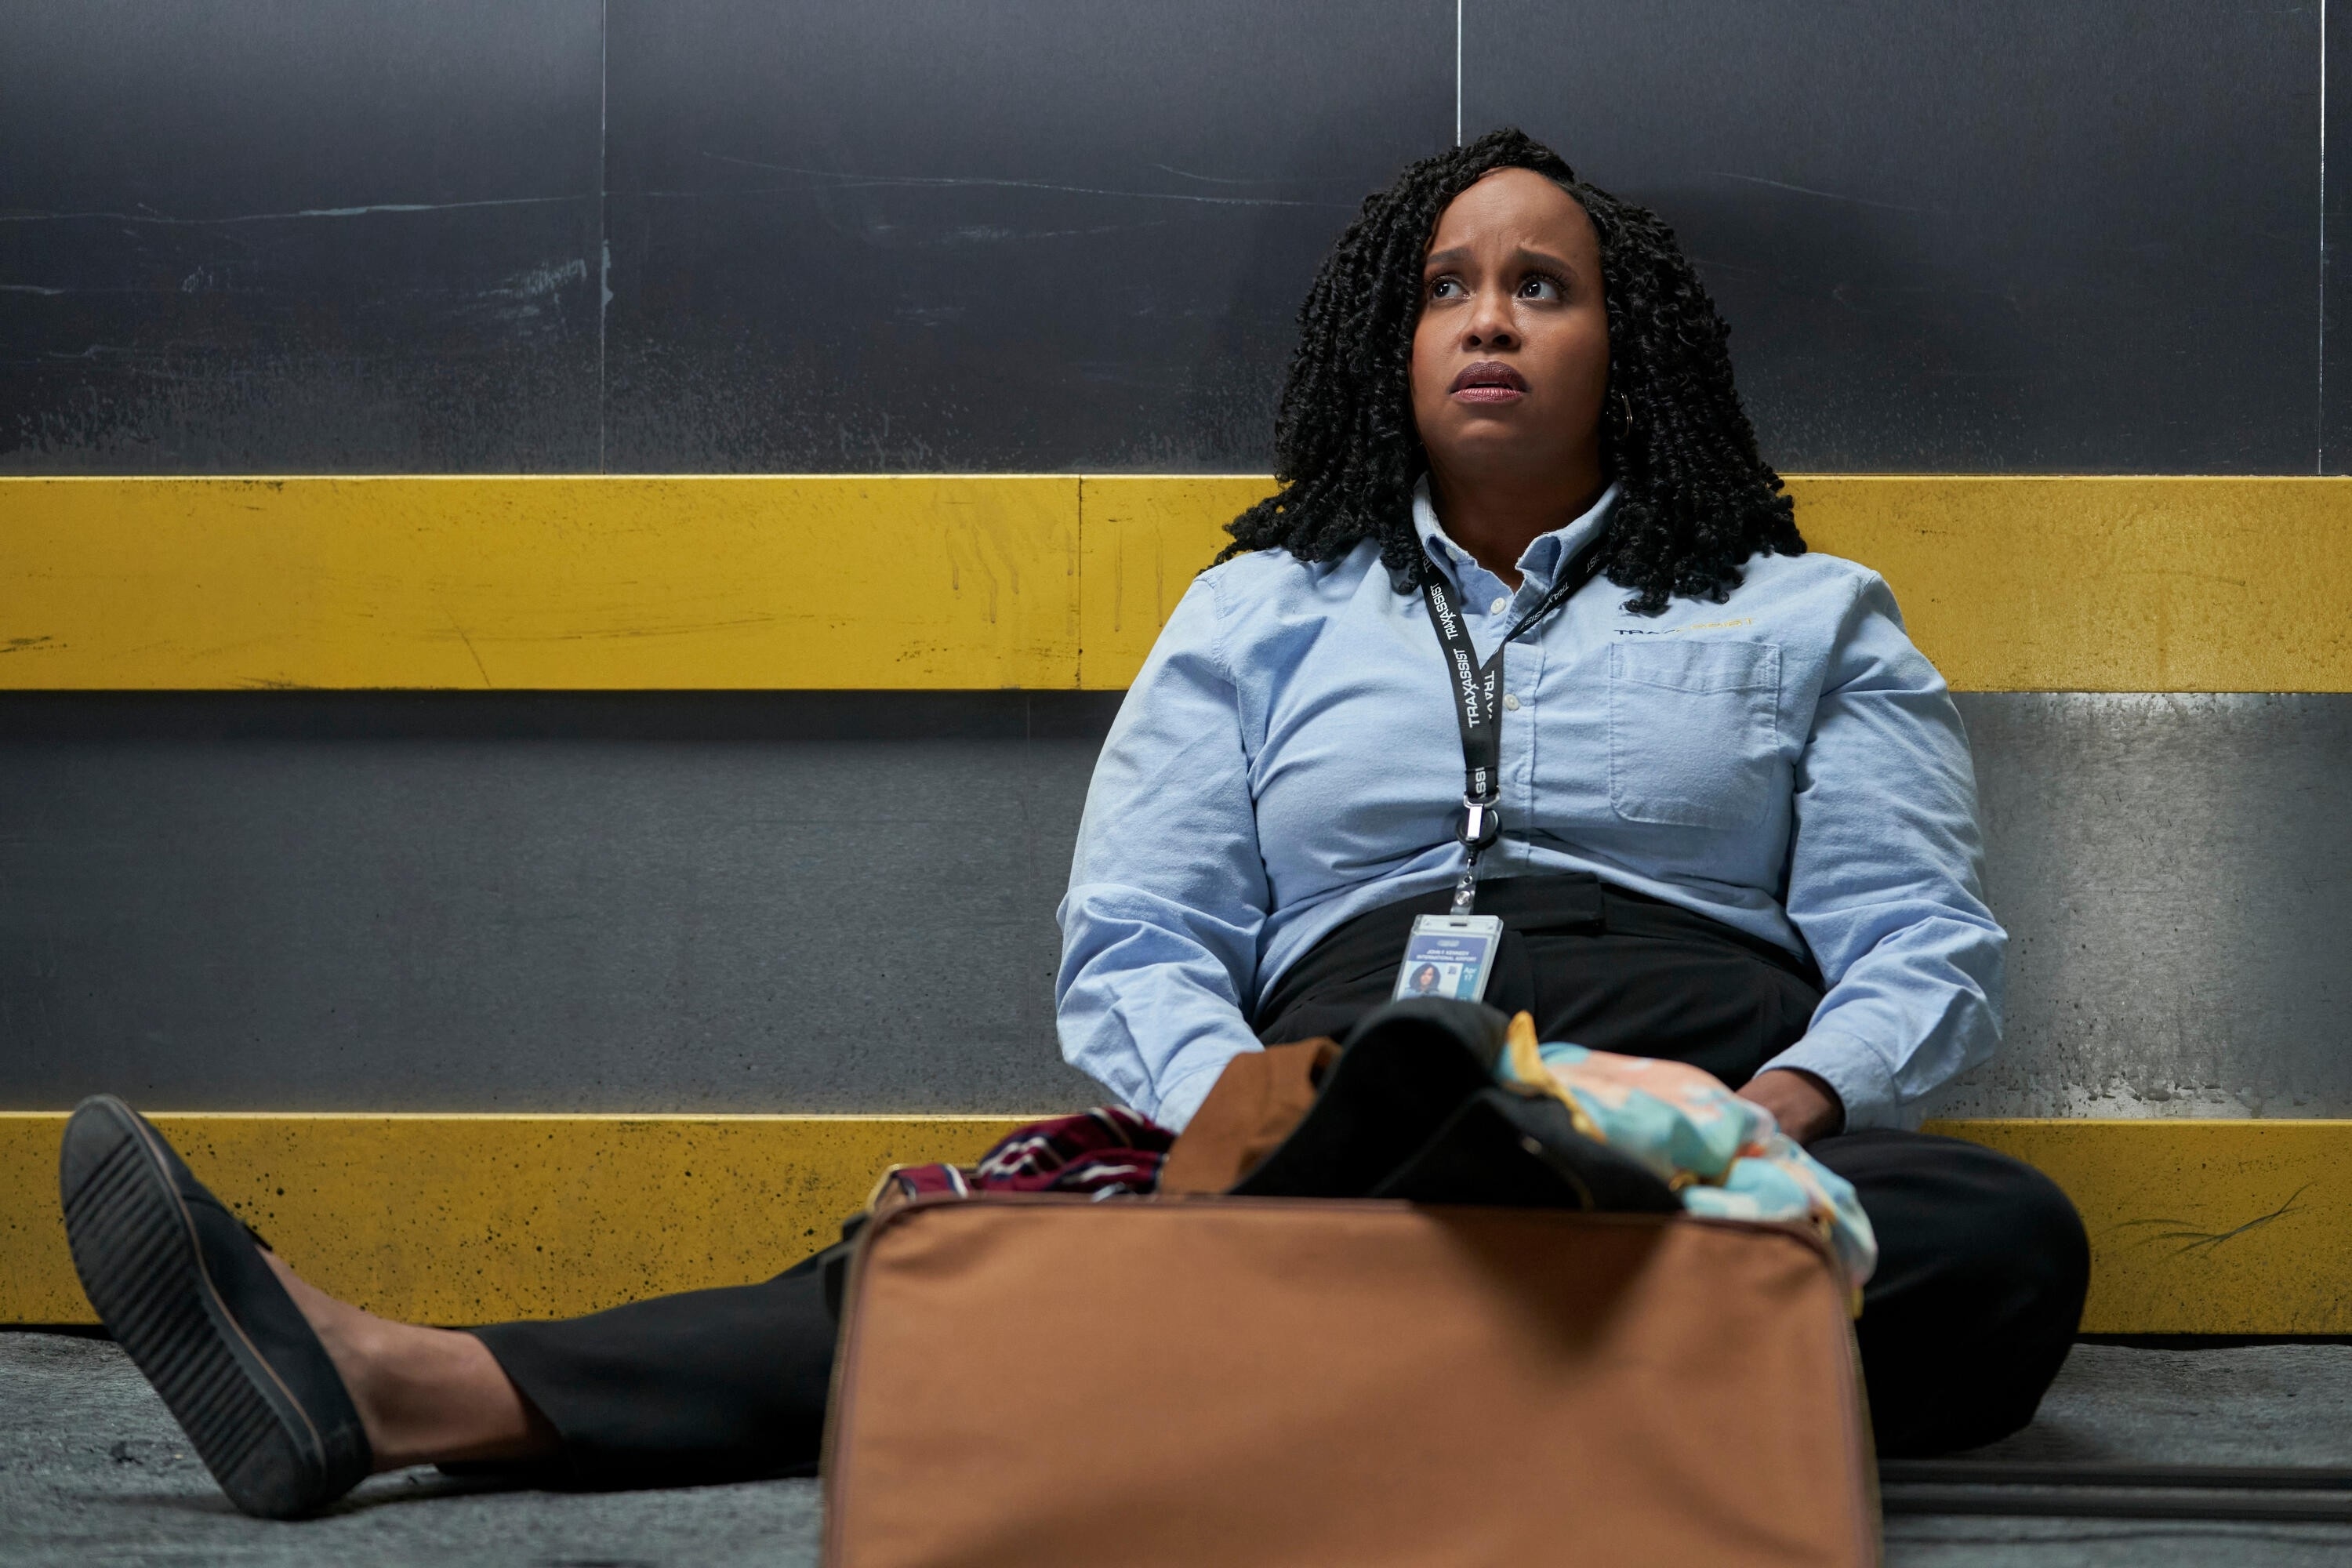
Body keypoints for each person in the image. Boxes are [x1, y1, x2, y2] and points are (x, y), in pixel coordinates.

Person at [56, 129, 2085, 1522]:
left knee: (2004, 1247)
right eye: (1450, 284)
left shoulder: (1807, 614)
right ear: (1392, 344)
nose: (1489, 317)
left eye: (1541, 286)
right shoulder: (1260, 607)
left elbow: (1921, 943)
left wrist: (1765, 1117)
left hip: (1678, 1129)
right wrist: (1234, 1124)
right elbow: (1140, 932)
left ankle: (1277, 1359)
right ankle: (408, 1379)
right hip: (1352, 1100)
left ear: (1621, 347)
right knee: (1017, 1248)